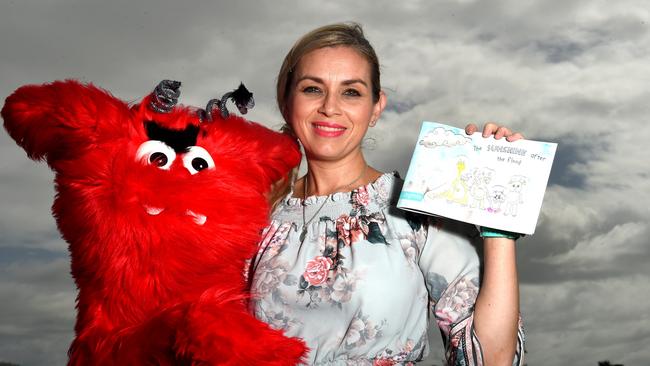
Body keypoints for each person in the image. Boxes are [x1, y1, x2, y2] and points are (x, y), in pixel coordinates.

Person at [248, 22, 525, 365]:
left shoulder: (418, 210)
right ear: (286, 99)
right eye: (312, 89)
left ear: (376, 107)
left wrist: (499, 228)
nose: (330, 108)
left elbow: (492, 360)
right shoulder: (254, 211)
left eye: (351, 92)